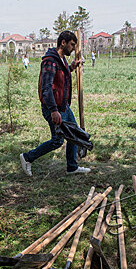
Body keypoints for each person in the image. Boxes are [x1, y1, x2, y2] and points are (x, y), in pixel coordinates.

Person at [20, 31, 89, 177]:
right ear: (63, 42)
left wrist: (71, 67)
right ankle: (27, 158)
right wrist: (53, 110)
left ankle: (72, 167)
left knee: (74, 133)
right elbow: (46, 88)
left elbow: (60, 75)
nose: (73, 48)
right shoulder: (50, 61)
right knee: (57, 141)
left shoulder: (61, 59)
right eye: (72, 45)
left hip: (63, 106)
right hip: (54, 107)